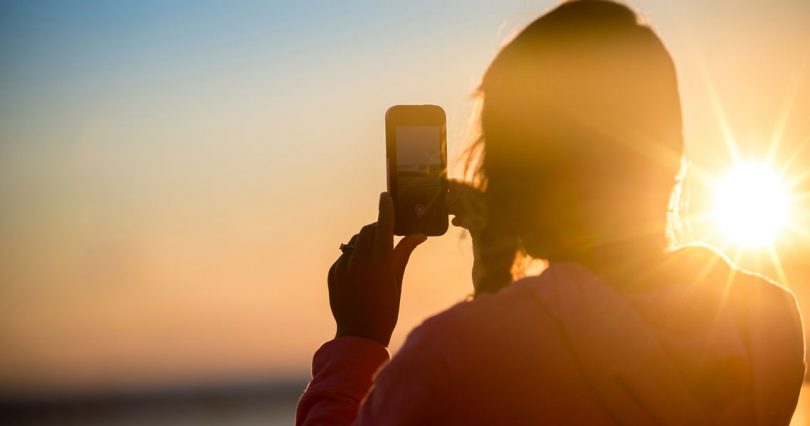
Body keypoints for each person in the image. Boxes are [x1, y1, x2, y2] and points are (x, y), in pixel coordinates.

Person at [297, 1, 806, 424]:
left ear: (507, 168)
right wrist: (495, 290)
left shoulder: (446, 359)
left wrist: (356, 340)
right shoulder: (768, 323)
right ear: (671, 149)